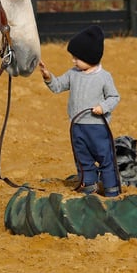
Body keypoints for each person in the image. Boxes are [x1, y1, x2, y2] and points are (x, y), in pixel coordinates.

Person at [39, 25, 122, 197]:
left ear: (90, 57)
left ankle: (112, 189)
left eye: (77, 58)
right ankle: (89, 186)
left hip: (97, 127)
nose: (73, 61)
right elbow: (58, 86)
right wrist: (48, 76)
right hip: (77, 126)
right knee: (83, 158)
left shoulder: (104, 77)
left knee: (105, 157)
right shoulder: (73, 73)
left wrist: (103, 108)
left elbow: (114, 97)